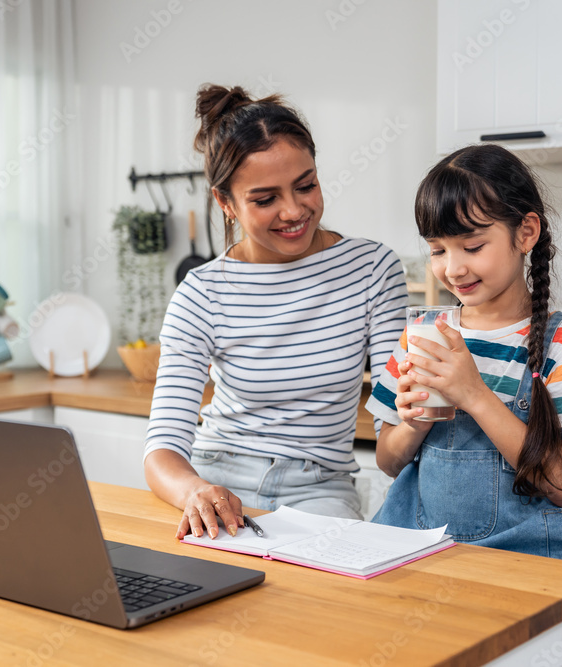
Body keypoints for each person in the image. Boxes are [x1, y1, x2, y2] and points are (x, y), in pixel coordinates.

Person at [143, 84, 408, 540]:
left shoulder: (372, 269)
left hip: (320, 488)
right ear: (226, 203)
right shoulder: (202, 292)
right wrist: (196, 491)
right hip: (214, 481)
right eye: (265, 199)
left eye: (306, 185)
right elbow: (163, 448)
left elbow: (394, 425)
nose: (293, 211)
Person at [366, 144, 562, 564]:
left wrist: (475, 395)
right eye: (438, 249)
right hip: (420, 561)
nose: (453, 268)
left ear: (526, 233)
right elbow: (389, 461)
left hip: (523, 566)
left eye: (473, 245)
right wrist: (413, 424)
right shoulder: (422, 337)